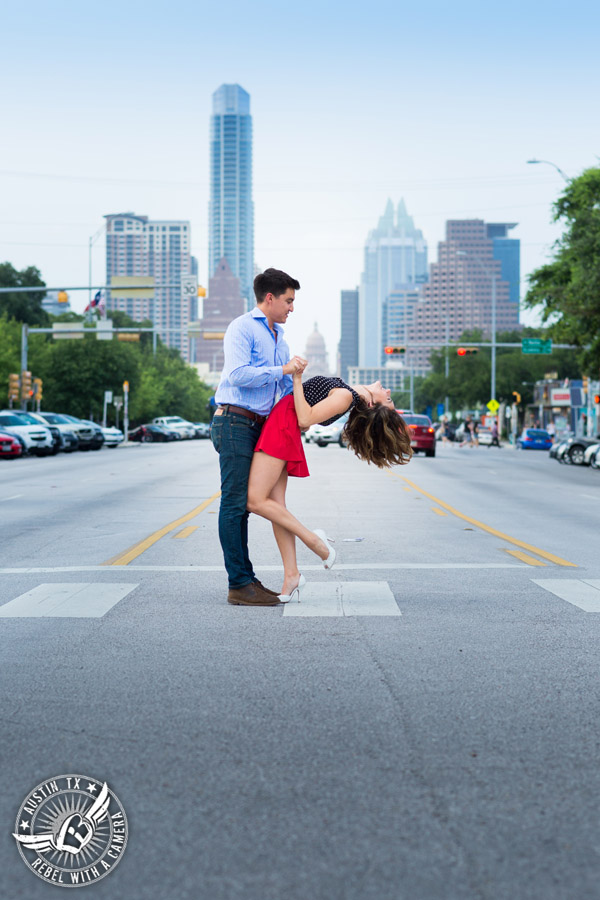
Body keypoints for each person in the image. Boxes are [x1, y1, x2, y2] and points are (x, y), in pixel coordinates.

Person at [246, 371, 412, 603]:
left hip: (281, 427)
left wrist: (296, 378)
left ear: (372, 403)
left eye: (388, 399)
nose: (388, 391)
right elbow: (306, 414)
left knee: (254, 500)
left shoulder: (346, 396)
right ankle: (292, 575)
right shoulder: (346, 393)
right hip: (281, 423)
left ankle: (315, 542)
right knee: (275, 507)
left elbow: (305, 419)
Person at [211, 267, 305, 607]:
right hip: (234, 422)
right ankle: (239, 583)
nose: (291, 308)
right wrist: (283, 370)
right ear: (270, 298)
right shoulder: (242, 327)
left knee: (248, 505)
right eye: (288, 301)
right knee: (235, 504)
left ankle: (247, 579)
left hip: (258, 427)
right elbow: (238, 375)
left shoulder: (280, 338)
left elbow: (281, 390)